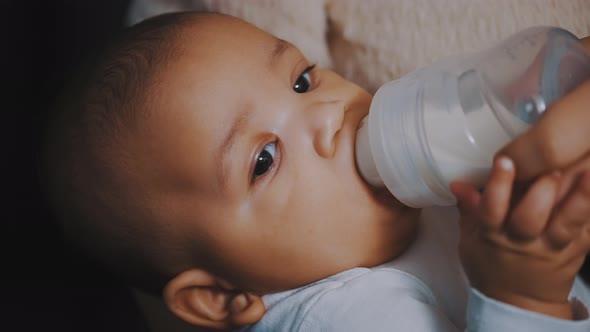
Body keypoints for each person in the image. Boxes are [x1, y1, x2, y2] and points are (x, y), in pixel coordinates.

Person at [42, 11, 590, 331]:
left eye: (302, 80)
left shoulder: (386, 209)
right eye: (263, 160)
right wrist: (523, 299)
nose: (329, 116)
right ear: (222, 295)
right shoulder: (338, 316)